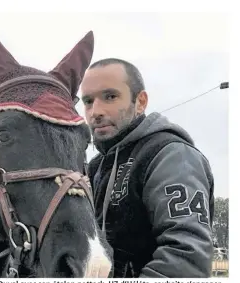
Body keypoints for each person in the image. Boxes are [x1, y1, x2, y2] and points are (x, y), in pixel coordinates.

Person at [80, 58, 214, 278]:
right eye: (88, 101)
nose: (95, 111)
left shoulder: (170, 155)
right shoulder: (95, 167)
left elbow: (187, 257)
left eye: (110, 97)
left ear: (140, 102)